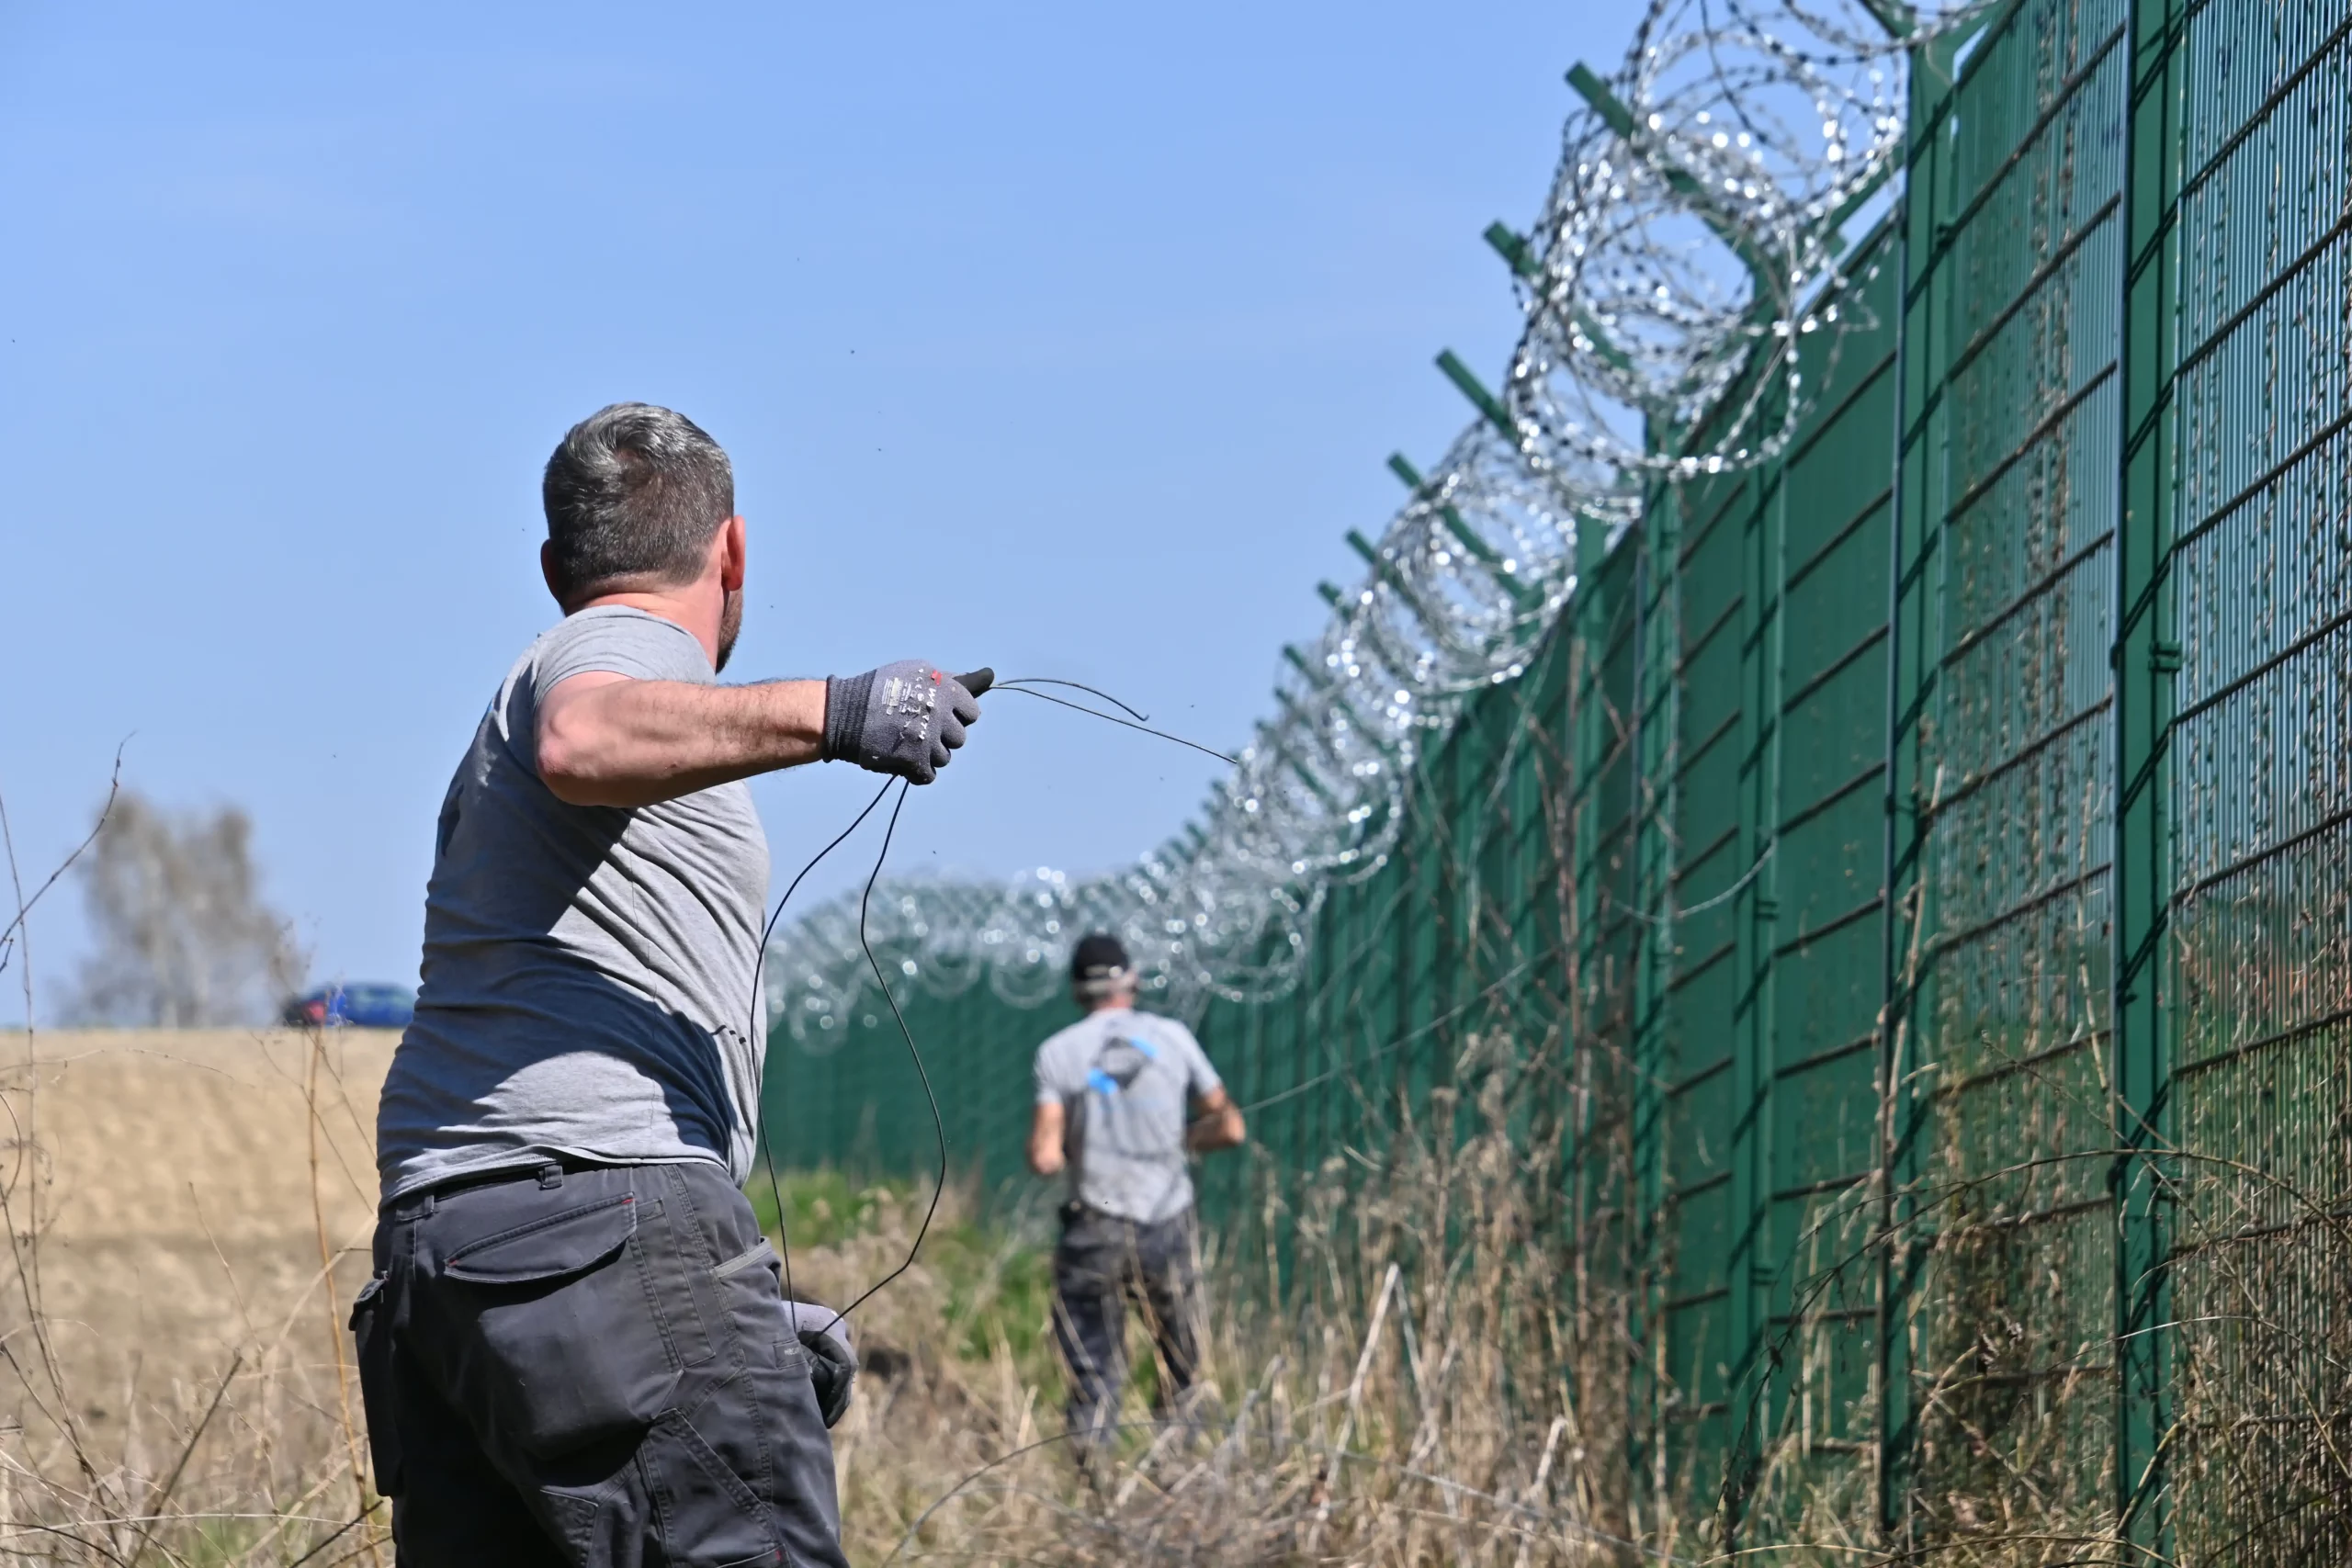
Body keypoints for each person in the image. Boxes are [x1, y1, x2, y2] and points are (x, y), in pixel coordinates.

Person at [356, 402, 986, 1567]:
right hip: (594, 1215)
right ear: (732, 551)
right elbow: (584, 740)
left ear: (553, 563)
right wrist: (843, 711)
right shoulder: (615, 647)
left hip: (454, 1263)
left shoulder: (507, 709)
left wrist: (705, 1311)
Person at [1027, 933, 1246, 1456]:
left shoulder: (1058, 1052)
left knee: (1092, 1363)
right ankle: (1178, 1468)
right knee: (1181, 1358)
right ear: (1132, 981)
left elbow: (1045, 1157)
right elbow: (1230, 1126)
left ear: (1078, 990)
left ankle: (1094, 1475)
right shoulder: (1173, 1037)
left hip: (1094, 1222)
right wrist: (1185, 1139)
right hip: (1167, 1218)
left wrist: (1078, 1143)